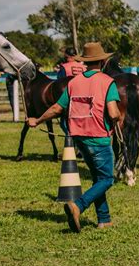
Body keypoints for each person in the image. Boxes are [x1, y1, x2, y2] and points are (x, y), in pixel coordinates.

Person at [27, 42, 121, 233]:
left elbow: (57, 108)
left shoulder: (74, 82)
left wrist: (37, 120)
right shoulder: (107, 82)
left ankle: (104, 219)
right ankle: (78, 205)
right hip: (99, 137)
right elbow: (113, 113)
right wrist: (118, 116)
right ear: (103, 61)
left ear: (85, 62)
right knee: (107, 179)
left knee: (97, 177)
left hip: (79, 137)